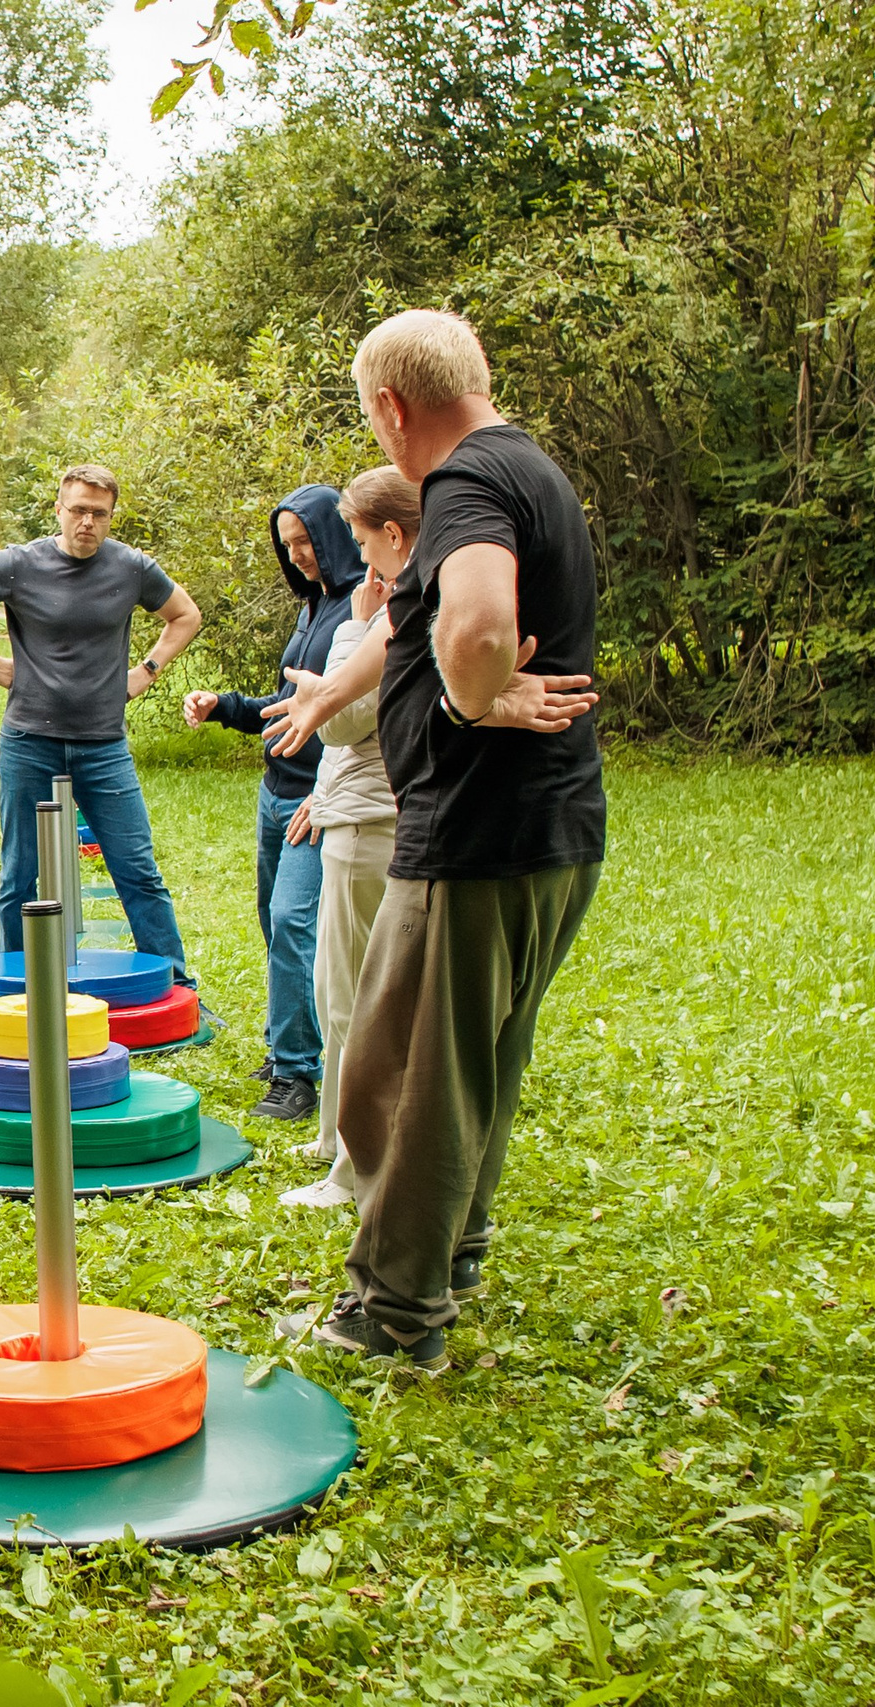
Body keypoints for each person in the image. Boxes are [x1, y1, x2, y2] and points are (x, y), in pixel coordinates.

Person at [271, 309, 605, 1371]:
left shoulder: (462, 487)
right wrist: (331, 692)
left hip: (475, 836)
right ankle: (451, 1252)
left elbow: (467, 627)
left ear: (389, 405)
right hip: (546, 832)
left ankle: (392, 1313)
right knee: (470, 1063)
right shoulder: (523, 470)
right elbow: (408, 625)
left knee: (400, 1075)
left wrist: (475, 699)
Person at [0, 465, 204, 982]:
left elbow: (185, 615)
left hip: (104, 745)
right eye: (77, 510)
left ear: (111, 517)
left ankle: (178, 989)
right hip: (30, 740)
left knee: (138, 872)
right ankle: (19, 989)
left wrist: (146, 671)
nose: (87, 522)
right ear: (59, 510)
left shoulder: (133, 568)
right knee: (20, 876)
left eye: (99, 514)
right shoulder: (19, 565)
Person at [181, 489, 367, 1124]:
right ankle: (290, 1045)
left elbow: (369, 715)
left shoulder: (364, 610)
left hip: (318, 798)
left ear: (336, 534)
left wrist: (326, 790)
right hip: (276, 790)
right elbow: (294, 700)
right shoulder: (312, 607)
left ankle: (297, 1074)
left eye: (306, 542)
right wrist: (227, 706)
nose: (298, 556)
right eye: (287, 546)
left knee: (293, 921)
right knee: (276, 921)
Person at [276, 466, 415, 1211]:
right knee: (338, 993)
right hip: (349, 809)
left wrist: (358, 630)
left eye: (363, 542)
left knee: (355, 1001)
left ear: (392, 535)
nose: (361, 562)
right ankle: (334, 1135)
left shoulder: (386, 612)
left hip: (372, 824)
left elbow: (342, 723)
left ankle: (353, 1170)